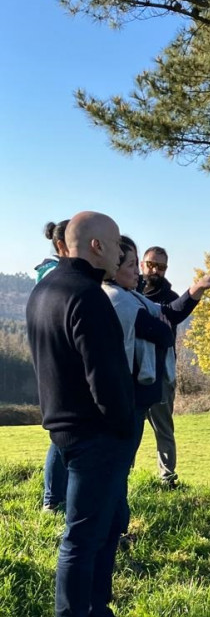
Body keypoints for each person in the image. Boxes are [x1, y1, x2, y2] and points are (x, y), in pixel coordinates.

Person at [27, 211, 136, 617]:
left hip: (64, 428)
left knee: (105, 527)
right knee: (82, 535)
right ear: (95, 246)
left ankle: (97, 615)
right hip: (95, 433)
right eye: (115, 243)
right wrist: (124, 427)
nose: (120, 252)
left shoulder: (45, 289)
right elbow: (105, 380)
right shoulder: (88, 297)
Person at [105, 237, 210, 471]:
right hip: (127, 384)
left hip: (150, 381)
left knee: (155, 430)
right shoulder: (120, 299)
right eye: (134, 265)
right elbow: (164, 334)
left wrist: (198, 288)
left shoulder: (133, 296)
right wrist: (160, 328)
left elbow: (170, 315)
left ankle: (164, 476)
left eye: (160, 267)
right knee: (123, 444)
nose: (149, 271)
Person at [34, 219, 70, 513]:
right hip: (58, 360)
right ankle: (53, 499)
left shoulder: (49, 270)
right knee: (61, 435)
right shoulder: (53, 273)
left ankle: (57, 496)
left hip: (54, 357)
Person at [139, 246, 183, 488]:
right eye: (151, 264)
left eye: (161, 266)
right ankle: (123, 475)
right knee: (129, 427)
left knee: (163, 427)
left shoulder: (172, 299)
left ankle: (167, 478)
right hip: (132, 371)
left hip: (162, 372)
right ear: (142, 264)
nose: (155, 270)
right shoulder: (130, 292)